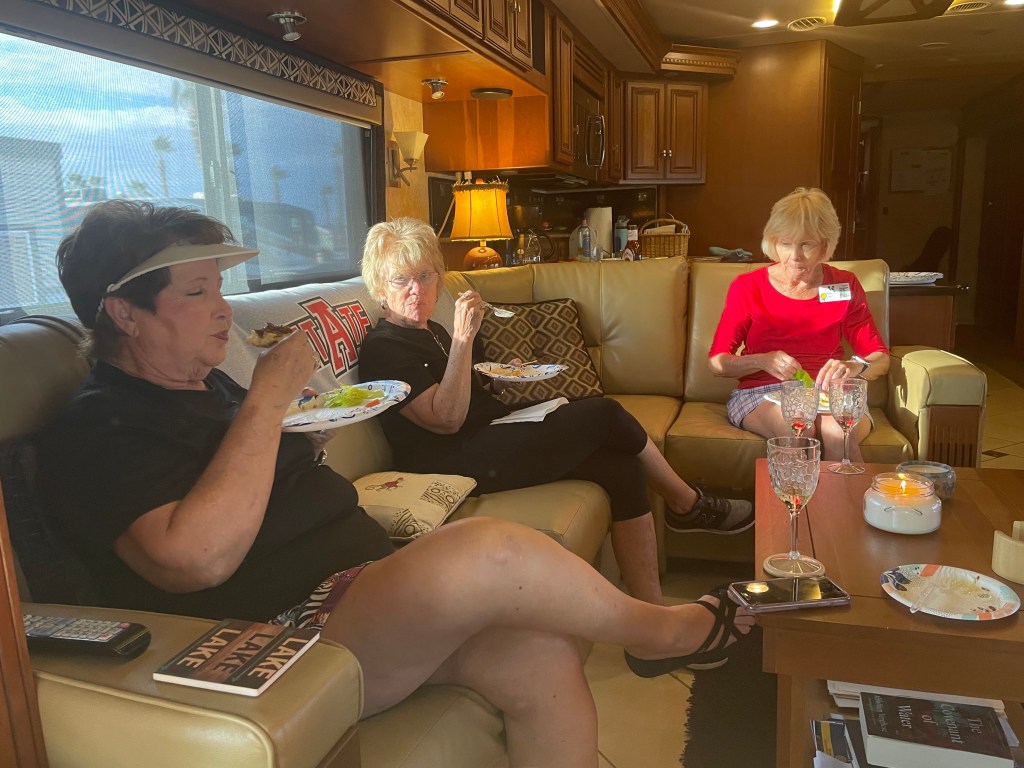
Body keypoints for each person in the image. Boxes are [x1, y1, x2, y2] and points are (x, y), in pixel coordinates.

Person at [37, 200, 754, 767]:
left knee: (540, 654)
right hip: (277, 631)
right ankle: (661, 631)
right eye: (198, 292)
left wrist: (297, 431)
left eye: (220, 289)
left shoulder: (208, 389)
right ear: (124, 313)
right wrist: (267, 399)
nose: (223, 309)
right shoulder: (97, 425)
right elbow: (194, 559)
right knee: (486, 550)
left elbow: (254, 481)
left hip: (355, 587)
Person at [357, 217, 754, 606]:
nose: (416, 289)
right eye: (401, 280)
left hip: (487, 433)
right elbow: (446, 420)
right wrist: (464, 339)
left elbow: (466, 392)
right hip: (451, 461)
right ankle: (687, 504)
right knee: (603, 413)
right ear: (380, 288)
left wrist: (501, 378)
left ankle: (651, 611)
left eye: (425, 276)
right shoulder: (385, 347)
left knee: (621, 468)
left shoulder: (432, 331)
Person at [707, 187, 890, 461]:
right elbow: (717, 362)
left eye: (806, 244)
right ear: (773, 242)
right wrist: (762, 361)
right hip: (764, 393)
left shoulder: (843, 285)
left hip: (828, 393)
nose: (794, 256)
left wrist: (854, 367)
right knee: (797, 427)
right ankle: (795, 492)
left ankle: (848, 492)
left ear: (825, 245)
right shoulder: (748, 287)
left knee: (839, 434)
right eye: (785, 243)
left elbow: (880, 358)